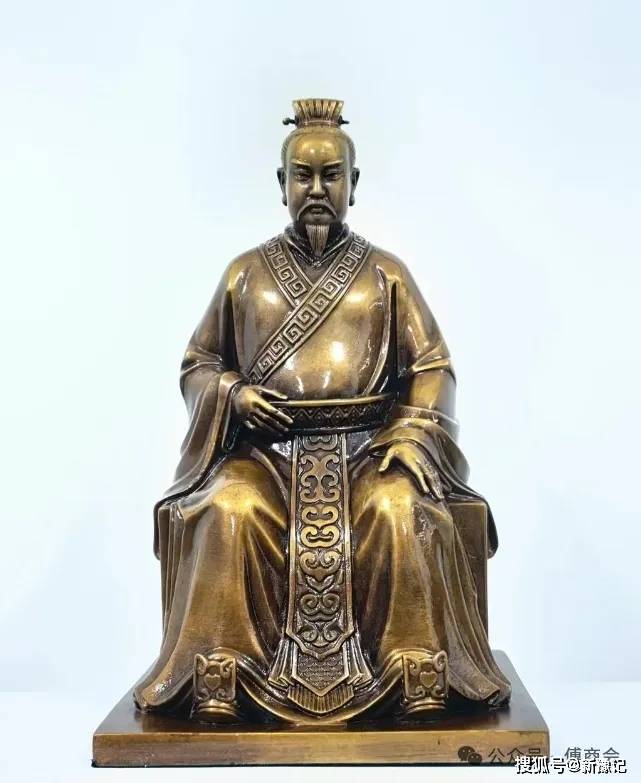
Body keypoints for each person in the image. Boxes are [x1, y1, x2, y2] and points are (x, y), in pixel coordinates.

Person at [133, 99, 511, 723]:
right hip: (265, 455)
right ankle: (225, 668)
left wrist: (410, 434)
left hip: (365, 450)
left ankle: (413, 665)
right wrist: (232, 394)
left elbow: (431, 367)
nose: (316, 189)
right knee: (229, 509)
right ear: (281, 184)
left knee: (399, 508)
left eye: (330, 175)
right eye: (302, 176)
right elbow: (198, 362)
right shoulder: (244, 275)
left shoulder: (385, 274)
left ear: (353, 185)